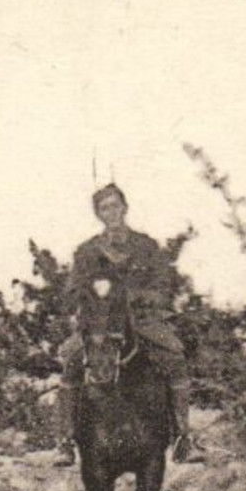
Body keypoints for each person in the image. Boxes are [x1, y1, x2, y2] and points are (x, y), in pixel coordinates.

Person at [61, 183, 201, 463]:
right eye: (104, 208)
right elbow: (73, 290)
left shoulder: (145, 246)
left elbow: (163, 284)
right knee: (72, 358)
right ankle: (65, 441)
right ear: (98, 214)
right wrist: (93, 297)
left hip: (141, 320)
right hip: (100, 321)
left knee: (174, 355)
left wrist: (139, 297)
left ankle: (183, 437)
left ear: (125, 207)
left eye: (115, 206)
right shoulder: (87, 251)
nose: (110, 212)